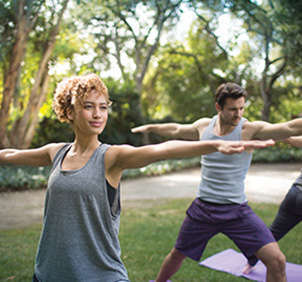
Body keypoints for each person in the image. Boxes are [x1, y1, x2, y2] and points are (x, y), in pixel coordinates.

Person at [0, 75, 274, 282]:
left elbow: (161, 150)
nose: (98, 114)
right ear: (69, 112)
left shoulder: (112, 157)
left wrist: (213, 145)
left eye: (103, 107)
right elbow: (11, 154)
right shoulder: (55, 153)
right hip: (48, 273)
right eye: (88, 106)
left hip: (98, 275)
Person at [132, 82, 302, 282]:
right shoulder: (205, 126)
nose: (238, 114)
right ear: (218, 107)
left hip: (237, 211)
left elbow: (289, 127)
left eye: (241, 108)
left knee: (277, 260)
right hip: (203, 209)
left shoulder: (249, 129)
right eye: (232, 109)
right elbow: (176, 129)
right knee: (177, 254)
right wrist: (150, 127)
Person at [243, 136, 302, 274]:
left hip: (295, 193)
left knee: (272, 234)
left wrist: (273, 135)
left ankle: (249, 263)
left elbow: (290, 139)